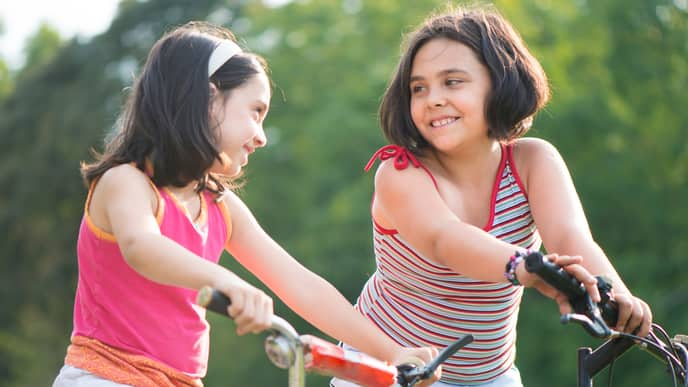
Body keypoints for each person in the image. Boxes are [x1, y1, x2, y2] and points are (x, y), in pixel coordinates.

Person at [52, 21, 440, 387]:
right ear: (206, 98)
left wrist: (393, 353)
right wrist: (226, 280)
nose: (262, 137)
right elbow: (142, 247)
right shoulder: (126, 182)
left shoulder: (220, 207)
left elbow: (301, 286)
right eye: (256, 112)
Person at [331, 4, 652, 387]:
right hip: (392, 366)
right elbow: (446, 239)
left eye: (452, 82)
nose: (433, 98)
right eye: (419, 88)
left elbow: (571, 239)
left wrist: (614, 295)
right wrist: (526, 266)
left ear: (500, 83)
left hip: (491, 376)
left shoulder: (533, 161)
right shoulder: (401, 174)